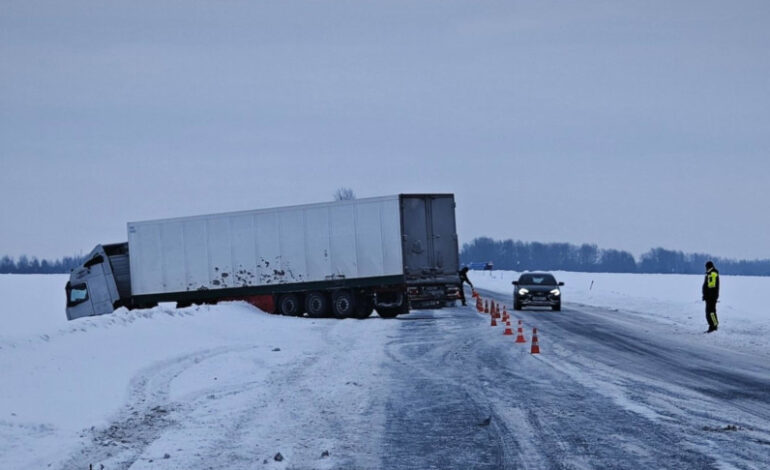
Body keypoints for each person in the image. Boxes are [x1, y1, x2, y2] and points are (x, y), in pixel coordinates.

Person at [702, 260, 720, 333]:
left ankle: (714, 326)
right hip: (709, 297)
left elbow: (711, 286)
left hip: (711, 297)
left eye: (706, 267)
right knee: (710, 312)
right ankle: (712, 325)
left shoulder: (712, 274)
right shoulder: (710, 273)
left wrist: (708, 296)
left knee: (711, 312)